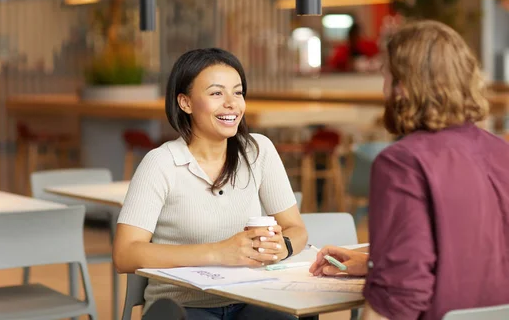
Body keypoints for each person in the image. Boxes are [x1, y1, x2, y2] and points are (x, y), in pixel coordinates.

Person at [310, 20, 509, 320]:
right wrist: (374, 262)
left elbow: (400, 297)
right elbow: (476, 255)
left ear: (403, 87)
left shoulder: (402, 163)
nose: (384, 88)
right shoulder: (501, 151)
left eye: (386, 77)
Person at [114, 48, 308, 319]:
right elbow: (125, 254)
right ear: (185, 103)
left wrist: (282, 247)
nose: (231, 103)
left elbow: (296, 228)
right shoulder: (159, 164)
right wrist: (219, 252)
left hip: (251, 296)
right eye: (217, 93)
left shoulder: (259, 151)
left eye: (238, 92)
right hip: (182, 306)